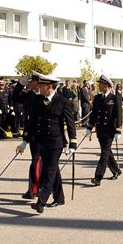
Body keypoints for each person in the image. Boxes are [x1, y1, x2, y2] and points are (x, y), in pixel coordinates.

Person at [16, 73, 77, 214]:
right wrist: (25, 141)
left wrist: (73, 144)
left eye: (41, 85)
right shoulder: (38, 100)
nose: (38, 87)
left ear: (49, 86)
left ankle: (41, 202)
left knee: (48, 171)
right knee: (52, 169)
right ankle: (59, 197)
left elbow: (70, 123)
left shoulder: (62, 101)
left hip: (56, 143)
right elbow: (32, 122)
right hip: (41, 142)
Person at [86, 75, 123, 186]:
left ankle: (98, 177)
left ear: (106, 85)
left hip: (110, 130)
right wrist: (89, 126)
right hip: (100, 130)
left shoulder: (114, 98)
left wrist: (118, 130)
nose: (99, 86)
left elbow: (119, 115)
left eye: (101, 84)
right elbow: (94, 114)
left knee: (104, 153)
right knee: (107, 152)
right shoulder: (97, 98)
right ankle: (116, 170)